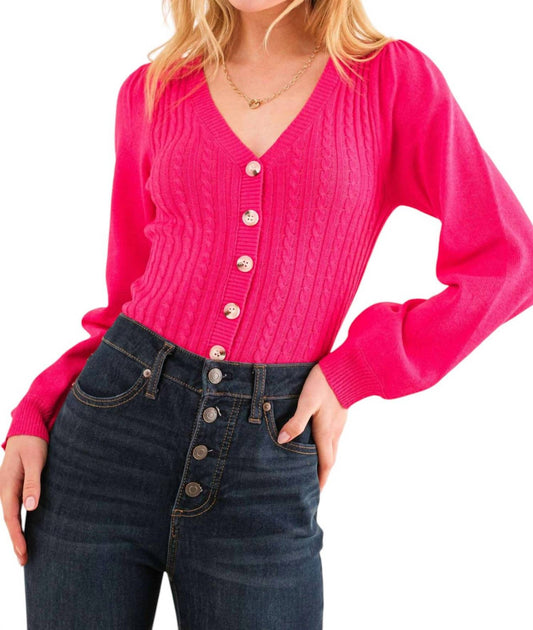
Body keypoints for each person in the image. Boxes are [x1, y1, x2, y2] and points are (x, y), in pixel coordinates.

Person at [1, 0, 533, 627]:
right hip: (104, 445)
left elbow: (509, 259)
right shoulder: (153, 91)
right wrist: (37, 411)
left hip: (266, 460)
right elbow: (126, 299)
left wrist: (355, 370)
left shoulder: (388, 80)